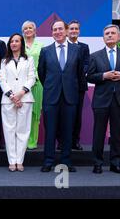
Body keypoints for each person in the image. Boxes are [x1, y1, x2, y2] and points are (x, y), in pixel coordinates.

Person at [87, 24, 120, 174]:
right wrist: (103, 76)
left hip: (119, 99)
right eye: (107, 33)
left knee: (116, 133)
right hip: (101, 100)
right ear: (103, 37)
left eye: (112, 33)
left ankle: (115, 163)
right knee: (99, 133)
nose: (109, 35)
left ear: (118, 37)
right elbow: (89, 76)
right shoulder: (95, 55)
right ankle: (97, 163)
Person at [38, 20, 84, 173]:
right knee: (50, 131)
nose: (57, 32)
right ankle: (48, 161)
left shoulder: (77, 50)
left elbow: (79, 74)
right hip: (51, 97)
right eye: (54, 30)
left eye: (60, 29)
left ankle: (66, 160)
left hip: (70, 97)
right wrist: (52, 86)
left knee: (67, 131)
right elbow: (42, 73)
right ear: (52, 33)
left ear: (66, 31)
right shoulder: (45, 51)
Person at [0, 33, 35, 172]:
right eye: (12, 41)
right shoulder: (4, 61)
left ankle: (19, 161)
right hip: (8, 100)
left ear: (22, 43)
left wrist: (20, 93)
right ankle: (11, 161)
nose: (14, 43)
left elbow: (31, 78)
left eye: (17, 41)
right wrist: (12, 96)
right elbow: (2, 80)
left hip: (25, 98)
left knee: (23, 131)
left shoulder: (29, 59)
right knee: (9, 131)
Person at [65, 20, 90, 150]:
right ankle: (62, 142)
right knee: (63, 115)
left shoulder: (84, 47)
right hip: (63, 87)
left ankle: (75, 141)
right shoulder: (62, 46)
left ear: (79, 31)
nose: (73, 31)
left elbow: (86, 64)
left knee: (76, 115)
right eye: (71, 29)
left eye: (76, 29)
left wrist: (75, 75)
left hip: (78, 86)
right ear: (67, 31)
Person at [22, 21, 43, 150]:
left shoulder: (41, 46)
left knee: (35, 114)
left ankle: (32, 141)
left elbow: (44, 65)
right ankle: (22, 141)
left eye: (30, 28)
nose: (28, 30)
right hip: (21, 85)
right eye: (25, 28)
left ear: (35, 31)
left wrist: (35, 77)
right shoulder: (18, 44)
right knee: (22, 113)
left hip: (38, 83)